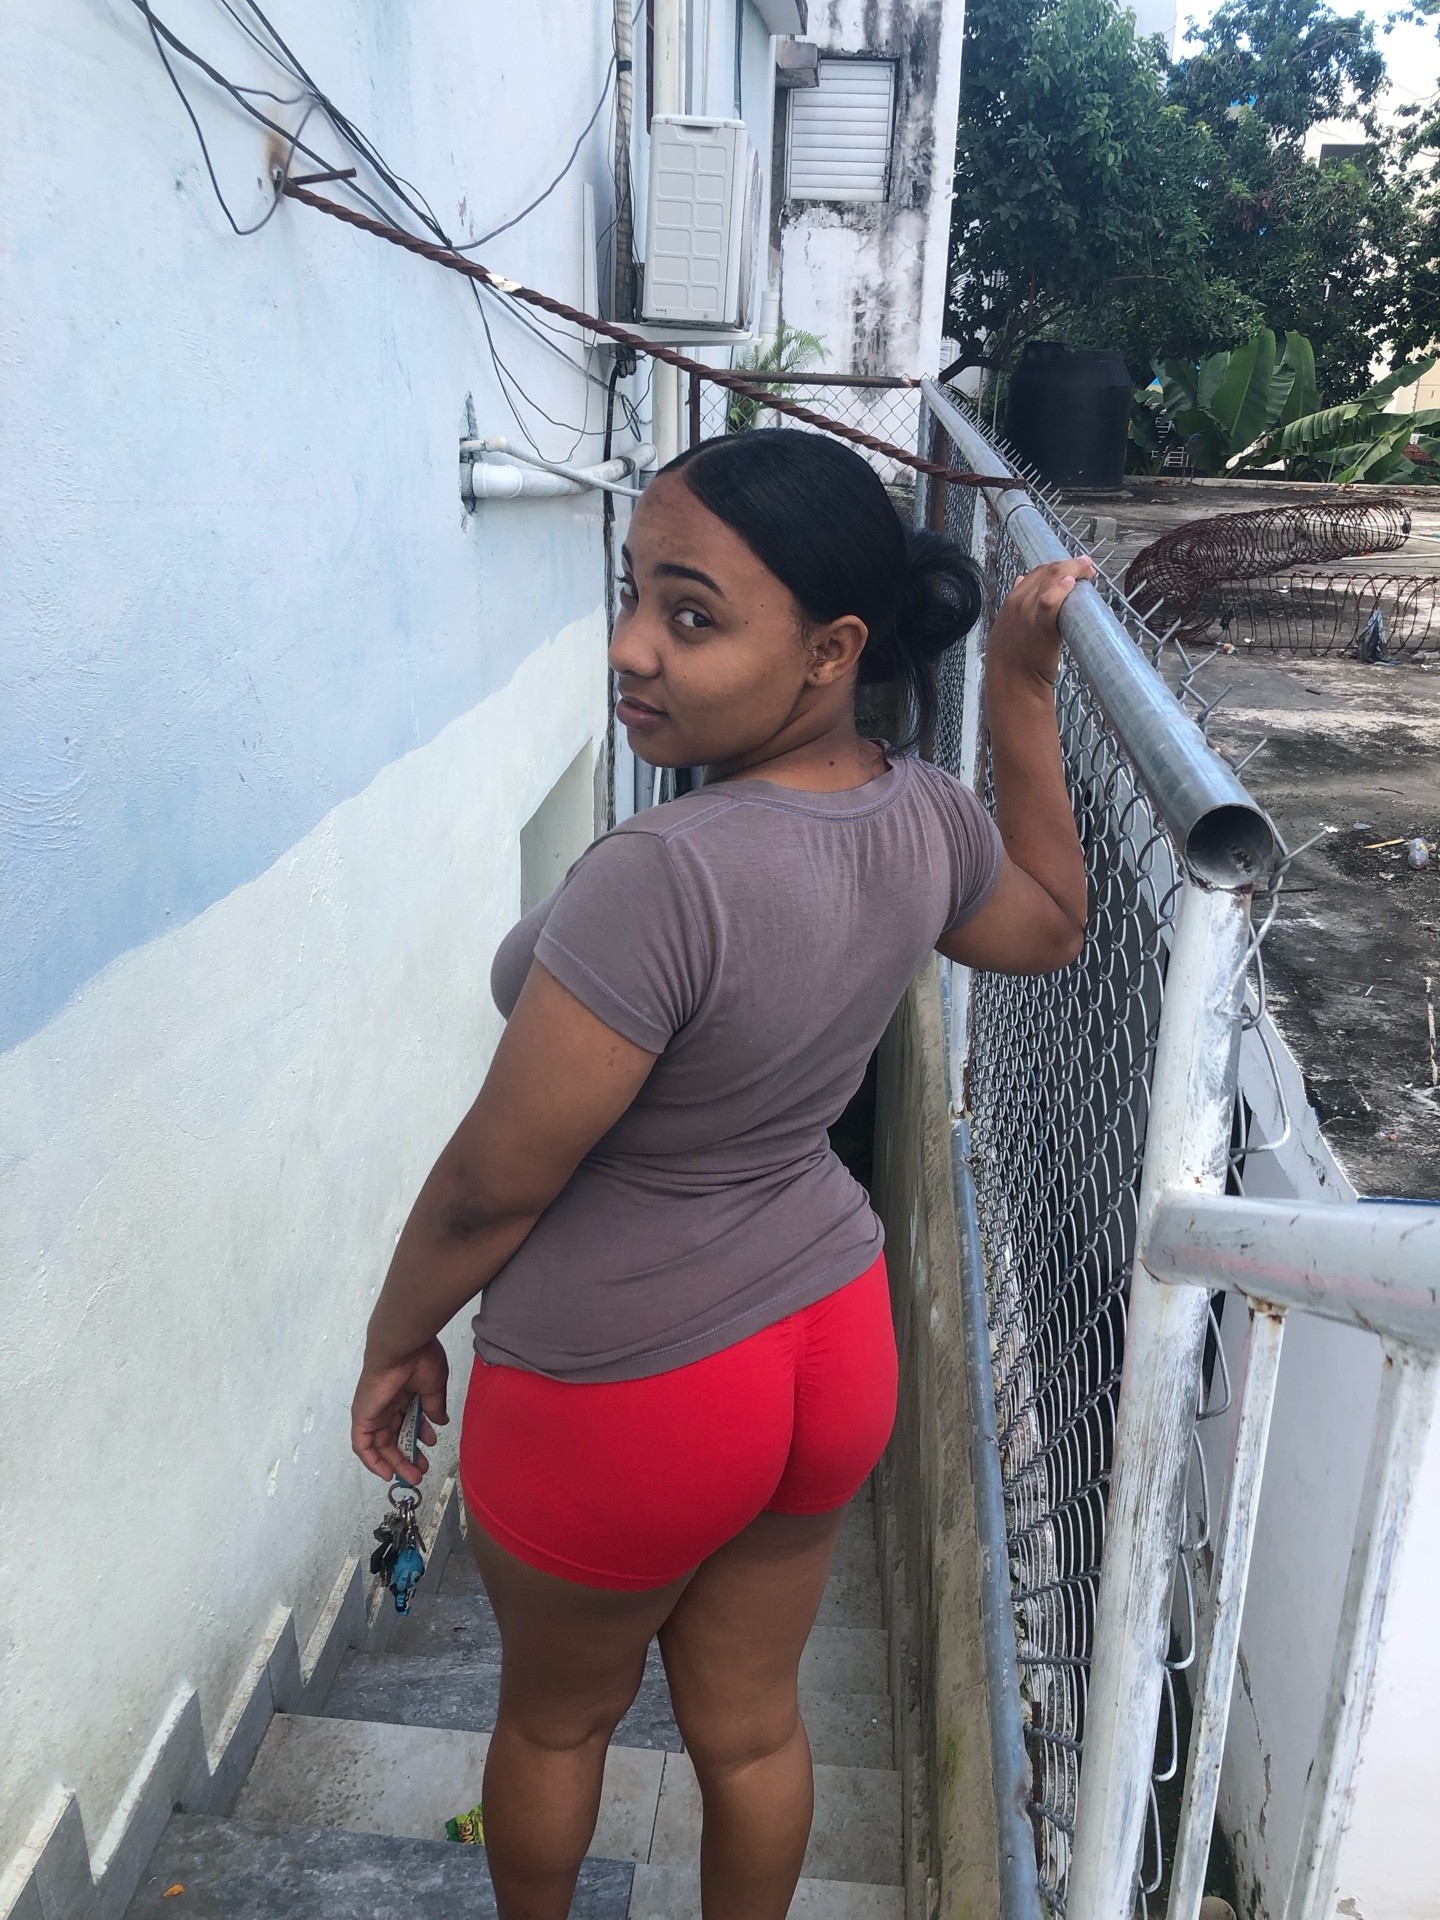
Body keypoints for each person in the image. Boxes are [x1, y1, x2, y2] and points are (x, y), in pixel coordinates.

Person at [349, 429, 1091, 1920]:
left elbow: (496, 1183)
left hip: (630, 1378)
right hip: (828, 1340)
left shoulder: (665, 874)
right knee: (751, 1730)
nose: (633, 647)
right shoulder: (923, 814)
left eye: (691, 617)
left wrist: (397, 1333)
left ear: (830, 651)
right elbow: (1051, 924)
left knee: (557, 1724)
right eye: (633, 593)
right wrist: (1021, 690)